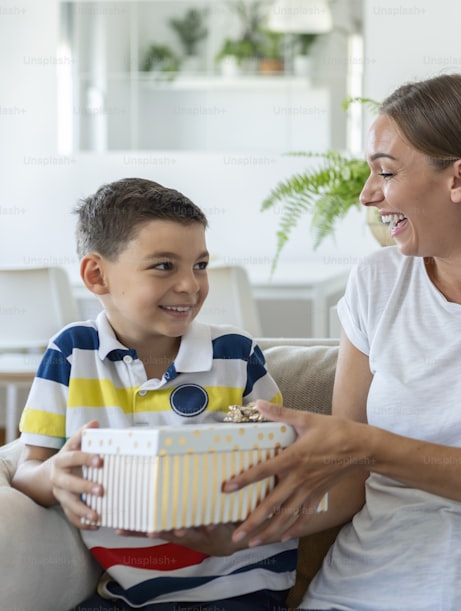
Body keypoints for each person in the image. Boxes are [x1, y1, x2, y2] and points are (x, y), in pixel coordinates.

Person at [223, 74, 461, 610]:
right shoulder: (376, 283)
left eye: (387, 172)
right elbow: (349, 480)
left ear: (460, 177)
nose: (367, 194)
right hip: (360, 591)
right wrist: (236, 535)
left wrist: (373, 448)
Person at [11, 178, 294, 610]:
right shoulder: (70, 353)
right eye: (165, 266)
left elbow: (279, 456)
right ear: (97, 275)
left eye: (199, 265)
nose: (190, 285)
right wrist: (52, 477)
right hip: (125, 591)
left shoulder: (235, 354)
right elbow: (28, 468)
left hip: (239, 584)